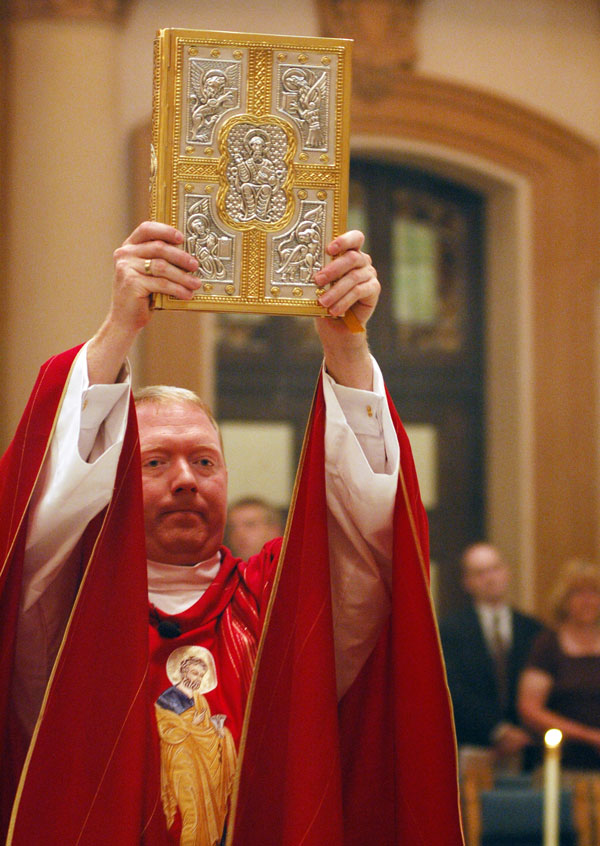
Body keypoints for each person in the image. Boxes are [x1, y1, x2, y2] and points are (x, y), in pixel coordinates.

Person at [0, 221, 464, 845]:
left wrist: (347, 349)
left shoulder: (272, 597)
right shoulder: (73, 602)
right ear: (108, 474)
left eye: (205, 461)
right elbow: (32, 528)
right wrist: (118, 332)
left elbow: (369, 540)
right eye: (156, 461)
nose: (187, 479)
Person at [440, 542, 543, 769]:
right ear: (466, 582)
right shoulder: (450, 630)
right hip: (473, 745)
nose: (489, 578)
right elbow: (452, 687)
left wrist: (520, 733)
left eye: (494, 569)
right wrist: (497, 730)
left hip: (528, 748)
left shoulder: (533, 629)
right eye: (479, 573)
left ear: (506, 572)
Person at [518, 559, 600, 771]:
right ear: (564, 600)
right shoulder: (548, 644)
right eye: (578, 594)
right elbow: (530, 708)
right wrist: (589, 736)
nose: (587, 601)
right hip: (564, 761)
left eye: (593, 593)